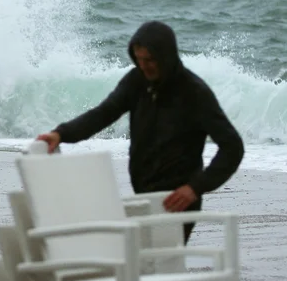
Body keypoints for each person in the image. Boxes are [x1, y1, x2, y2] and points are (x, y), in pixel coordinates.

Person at [36, 21, 244, 243]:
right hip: (144, 195)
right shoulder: (136, 81)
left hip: (177, 201)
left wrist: (195, 188)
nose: (144, 66)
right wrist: (62, 134)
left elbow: (233, 146)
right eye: (139, 59)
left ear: (166, 56)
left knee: (160, 266)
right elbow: (103, 114)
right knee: (146, 266)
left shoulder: (194, 93)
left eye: (150, 60)